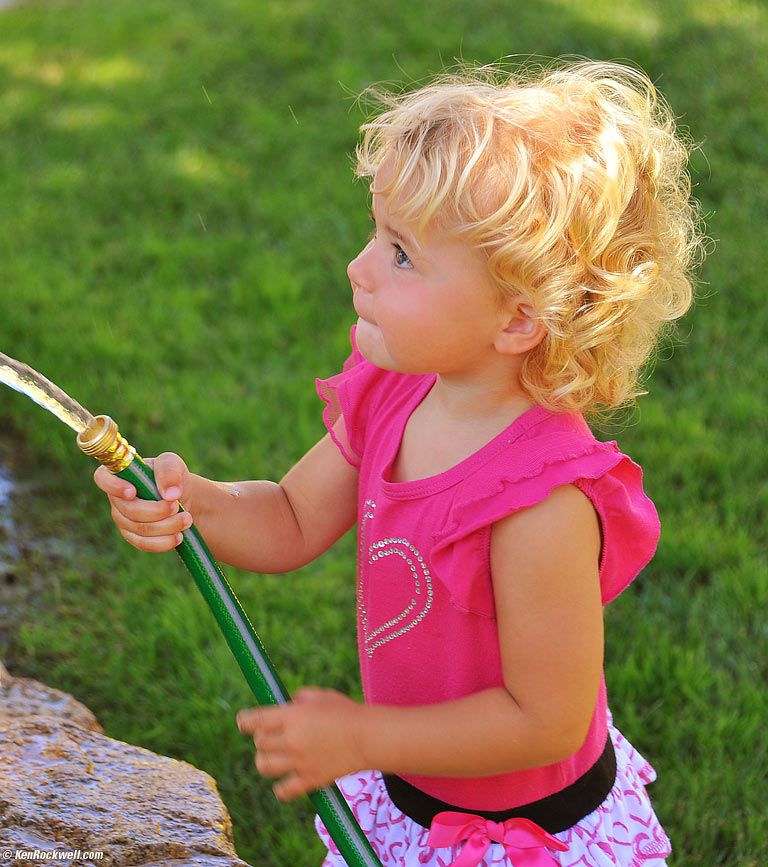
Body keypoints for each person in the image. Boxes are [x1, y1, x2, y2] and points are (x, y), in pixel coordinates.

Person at [95, 60, 703, 867]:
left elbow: (544, 717)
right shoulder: (395, 392)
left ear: (519, 318)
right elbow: (289, 514)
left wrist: (364, 735)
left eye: (402, 255)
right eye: (377, 236)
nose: (359, 267)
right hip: (411, 797)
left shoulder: (541, 503)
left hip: (523, 835)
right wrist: (193, 498)